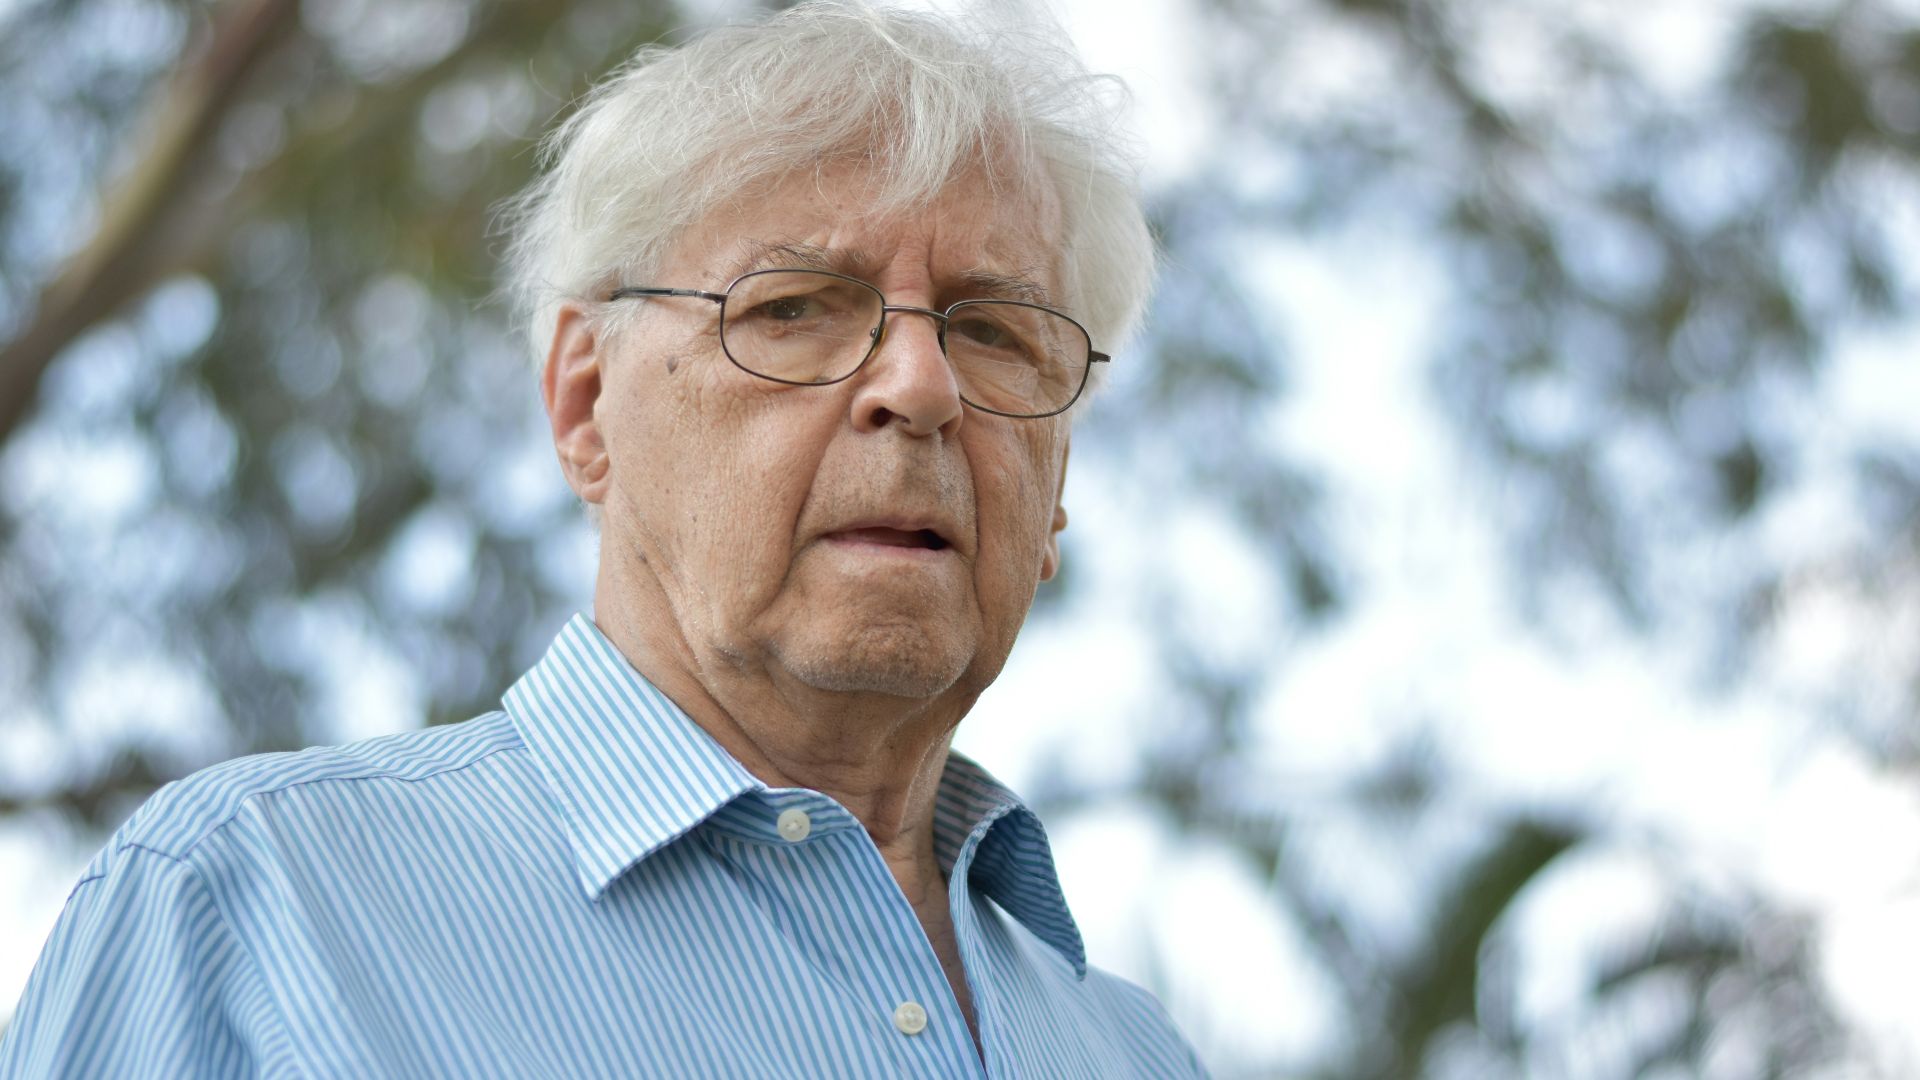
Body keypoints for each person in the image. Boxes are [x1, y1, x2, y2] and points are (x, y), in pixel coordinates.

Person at [1, 3, 1205, 1076]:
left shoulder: (1137, 1051)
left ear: (1055, 492)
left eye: (996, 333)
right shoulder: (249, 904)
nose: (922, 385)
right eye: (791, 309)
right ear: (585, 406)